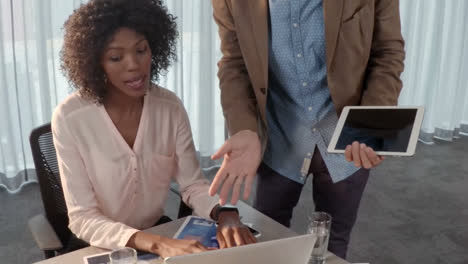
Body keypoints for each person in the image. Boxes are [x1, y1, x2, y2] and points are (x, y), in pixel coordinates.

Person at [53, 0, 255, 258]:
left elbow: (193, 185)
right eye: (116, 57)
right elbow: (83, 217)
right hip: (101, 244)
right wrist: (156, 243)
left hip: (159, 233)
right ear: (95, 63)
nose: (134, 65)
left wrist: (226, 214)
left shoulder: (169, 107)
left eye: (141, 50)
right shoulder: (71, 118)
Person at [209, 0, 405, 259]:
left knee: (333, 244)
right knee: (268, 241)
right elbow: (234, 62)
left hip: (347, 138)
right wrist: (243, 128)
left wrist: (370, 123)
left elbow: (388, 53)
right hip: (279, 137)